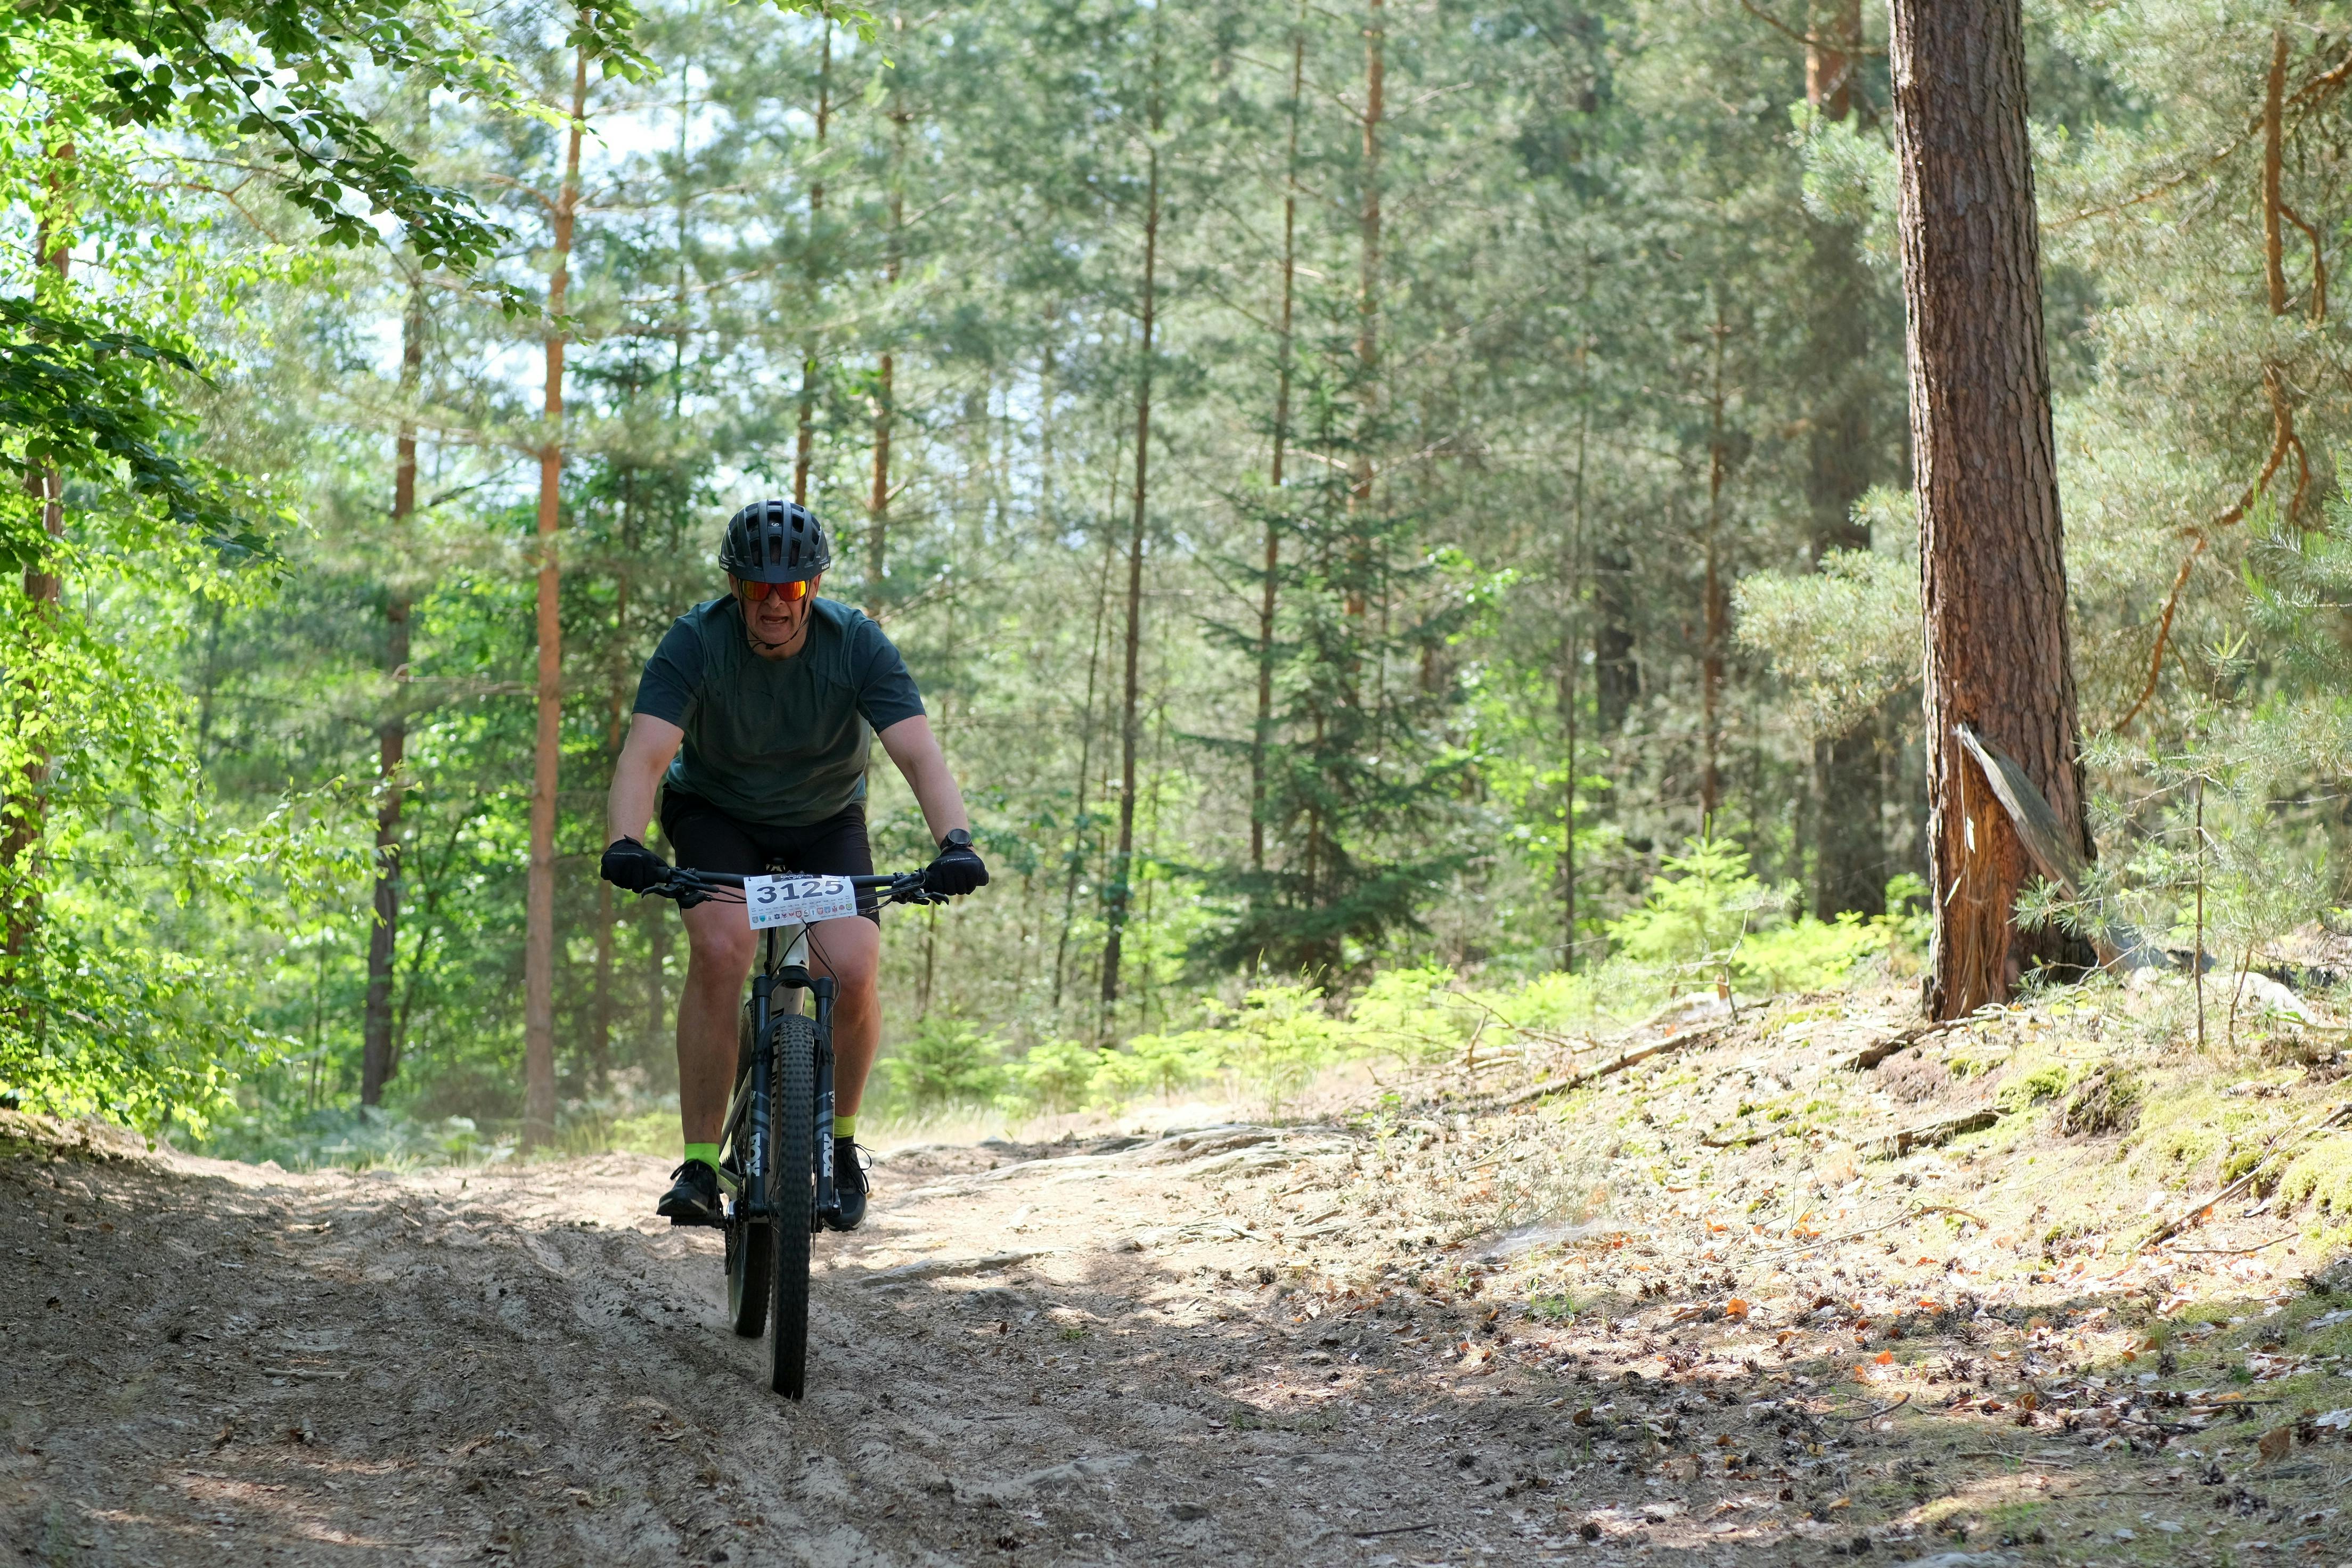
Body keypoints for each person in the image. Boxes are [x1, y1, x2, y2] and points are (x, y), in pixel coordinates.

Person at [598, 500, 987, 1231]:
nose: (775, 602)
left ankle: (841, 1148)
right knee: (721, 946)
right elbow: (646, 755)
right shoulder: (695, 642)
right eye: (758, 588)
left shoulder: (857, 645)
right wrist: (626, 841)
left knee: (854, 964)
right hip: (716, 812)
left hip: (824, 821)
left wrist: (955, 841)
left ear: (813, 588)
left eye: (793, 588)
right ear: (736, 590)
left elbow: (918, 754)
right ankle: (698, 1164)